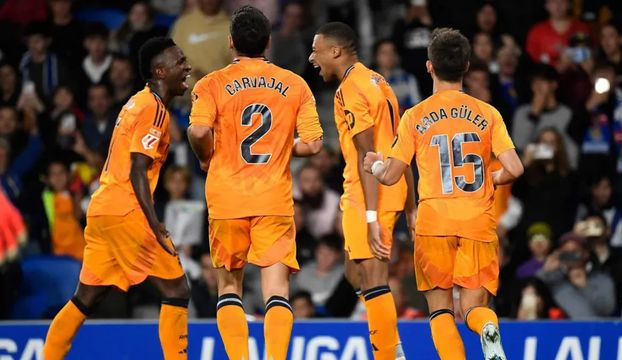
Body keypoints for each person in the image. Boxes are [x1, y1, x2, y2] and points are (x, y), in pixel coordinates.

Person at [363, 28, 523, 360]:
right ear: (466, 66)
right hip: (477, 220)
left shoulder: (415, 116)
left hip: (434, 222)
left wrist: (374, 166)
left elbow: (392, 176)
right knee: (473, 308)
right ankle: (488, 328)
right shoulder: (488, 113)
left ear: (429, 67)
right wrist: (490, 179)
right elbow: (516, 168)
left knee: (440, 311)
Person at [42, 37, 192, 360]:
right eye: (180, 62)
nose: (187, 67)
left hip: (102, 210)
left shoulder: (136, 102)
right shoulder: (154, 109)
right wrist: (154, 222)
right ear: (161, 71)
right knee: (177, 289)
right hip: (127, 210)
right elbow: (139, 166)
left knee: (85, 299)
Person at [187, 6, 323, 360]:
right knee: (277, 291)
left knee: (229, 286)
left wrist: (205, 156)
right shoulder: (295, 85)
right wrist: (281, 145)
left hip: (227, 198)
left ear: (230, 42)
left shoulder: (211, 83)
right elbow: (313, 144)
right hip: (273, 199)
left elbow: (198, 130)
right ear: (268, 41)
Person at [309, 21, 416, 360]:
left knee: (371, 275)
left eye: (317, 50)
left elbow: (368, 155)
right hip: (390, 186)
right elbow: (401, 145)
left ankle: (389, 352)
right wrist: (411, 205)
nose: (312, 58)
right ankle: (390, 340)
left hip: (369, 191)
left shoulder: (350, 90)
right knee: (353, 271)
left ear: (335, 51)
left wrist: (370, 216)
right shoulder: (378, 81)